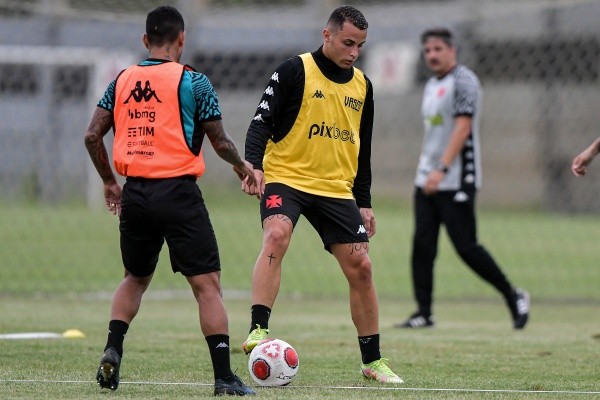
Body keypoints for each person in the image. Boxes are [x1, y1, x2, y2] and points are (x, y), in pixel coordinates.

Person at [83, 5, 256, 396]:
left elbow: (92, 135)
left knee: (134, 278)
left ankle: (113, 348)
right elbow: (220, 141)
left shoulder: (121, 80)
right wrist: (242, 166)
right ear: (182, 39)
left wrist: (109, 182)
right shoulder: (194, 82)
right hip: (178, 193)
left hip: (136, 194)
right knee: (207, 286)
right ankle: (224, 378)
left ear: (145, 40)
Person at [240, 5, 402, 384]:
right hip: (286, 178)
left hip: (335, 188)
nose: (354, 52)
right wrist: (253, 165)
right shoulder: (293, 70)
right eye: (348, 43)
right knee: (277, 234)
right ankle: (258, 329)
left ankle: (372, 361)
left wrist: (364, 202)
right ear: (327, 35)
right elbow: (260, 122)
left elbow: (363, 150)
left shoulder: (363, 86)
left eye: (360, 46)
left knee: (362, 267)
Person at [396, 28, 530, 330]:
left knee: (466, 247)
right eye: (427, 50)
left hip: (456, 179)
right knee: (422, 246)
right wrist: (428, 171)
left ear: (452, 50)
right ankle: (424, 312)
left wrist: (441, 169)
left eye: (438, 49)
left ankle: (513, 295)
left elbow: (462, 128)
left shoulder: (464, 81)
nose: (432, 55)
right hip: (426, 178)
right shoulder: (431, 85)